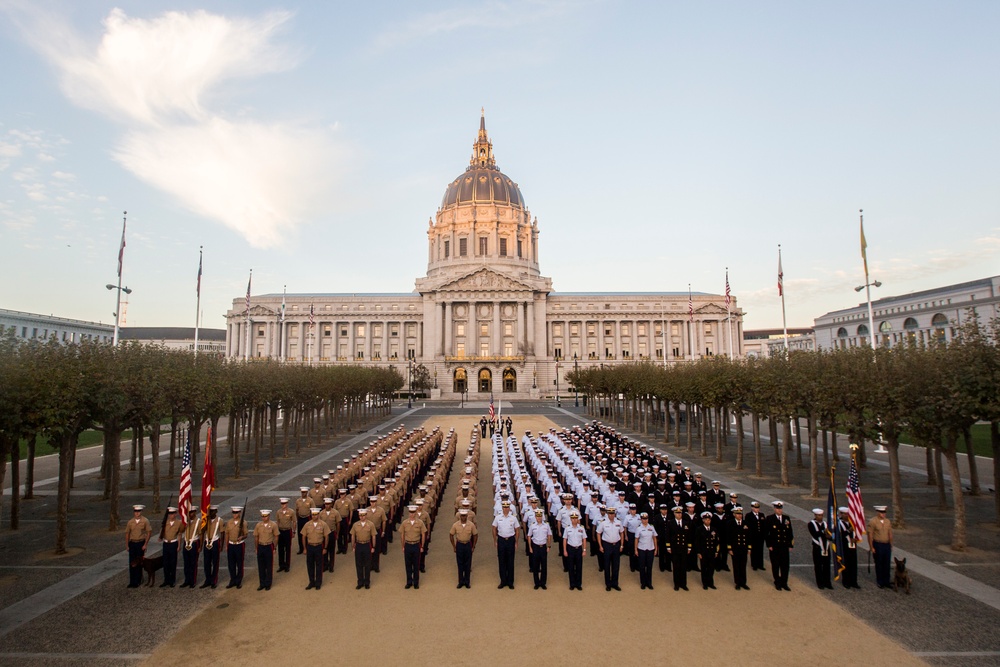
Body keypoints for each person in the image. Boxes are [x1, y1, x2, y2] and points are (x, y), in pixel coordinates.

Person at [765, 501, 794, 591]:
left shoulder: (786, 518)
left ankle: (784, 582)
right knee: (776, 565)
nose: (779, 510)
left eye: (780, 509)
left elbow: (790, 533)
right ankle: (777, 582)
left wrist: (790, 545)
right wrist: (769, 545)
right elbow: (767, 533)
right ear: (774, 509)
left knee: (785, 566)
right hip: (775, 546)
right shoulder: (770, 518)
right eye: (778, 509)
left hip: (784, 546)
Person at [492, 500, 520, 589]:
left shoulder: (513, 518)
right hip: (501, 540)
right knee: (502, 561)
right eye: (504, 507)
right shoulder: (497, 518)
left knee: (510, 561)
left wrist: (516, 541)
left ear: (509, 508)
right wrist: (495, 540)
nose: (506, 509)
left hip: (510, 540)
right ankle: (503, 581)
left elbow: (517, 530)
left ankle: (510, 582)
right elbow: (493, 528)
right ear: (502, 508)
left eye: (507, 507)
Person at [596, 507, 624, 592]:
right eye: (610, 514)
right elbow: (598, 533)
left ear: (615, 514)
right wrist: (600, 546)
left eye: (613, 514)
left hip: (616, 545)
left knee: (616, 565)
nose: (611, 515)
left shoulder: (619, 522)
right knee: (607, 565)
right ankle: (608, 584)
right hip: (607, 545)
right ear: (607, 514)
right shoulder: (603, 523)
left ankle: (615, 583)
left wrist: (622, 545)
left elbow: (622, 533)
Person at [301, 507, 330, 590]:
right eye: (313, 514)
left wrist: (325, 548)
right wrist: (304, 548)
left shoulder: (323, 524)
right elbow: (303, 537)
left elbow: (326, 536)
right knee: (310, 565)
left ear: (318, 515)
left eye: (316, 514)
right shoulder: (307, 524)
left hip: (319, 546)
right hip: (310, 546)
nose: (314, 516)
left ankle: (318, 582)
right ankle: (311, 582)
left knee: (319, 565)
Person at [449, 509, 478, 589]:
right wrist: (454, 546)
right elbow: (451, 534)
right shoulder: (455, 525)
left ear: (467, 516)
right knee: (460, 564)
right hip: (460, 544)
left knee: (468, 564)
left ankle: (467, 582)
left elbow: (475, 535)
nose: (463, 517)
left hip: (468, 544)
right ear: (460, 516)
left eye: (464, 516)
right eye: (462, 516)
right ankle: (461, 582)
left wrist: (473, 546)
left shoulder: (471, 525)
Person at [400, 505, 427, 589]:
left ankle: (416, 582)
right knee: (408, 564)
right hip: (408, 545)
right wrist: (403, 546)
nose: (412, 514)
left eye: (413, 513)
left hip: (416, 544)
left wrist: (422, 546)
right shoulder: (405, 523)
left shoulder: (420, 523)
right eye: (410, 513)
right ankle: (409, 582)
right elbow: (402, 535)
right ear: (409, 513)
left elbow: (423, 534)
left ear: (415, 513)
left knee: (416, 564)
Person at [125, 505, 152, 588]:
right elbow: (127, 534)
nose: (137, 513)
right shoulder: (130, 522)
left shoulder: (145, 521)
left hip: (140, 543)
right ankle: (132, 581)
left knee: (139, 562)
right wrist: (127, 545)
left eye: (139, 511)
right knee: (132, 562)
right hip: (132, 543)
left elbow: (149, 532)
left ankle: (138, 580)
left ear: (141, 512)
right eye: (136, 511)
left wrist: (145, 544)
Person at [867, 505, 893, 589]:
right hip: (878, 544)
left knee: (887, 564)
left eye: (884, 512)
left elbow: (890, 533)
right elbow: (870, 535)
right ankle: (880, 581)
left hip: (886, 544)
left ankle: (887, 581)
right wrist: (871, 547)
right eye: (882, 512)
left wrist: (891, 544)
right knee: (879, 563)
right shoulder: (873, 522)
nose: (883, 514)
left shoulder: (887, 521)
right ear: (878, 512)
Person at [350, 508, 377, 589]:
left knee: (367, 564)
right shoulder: (355, 525)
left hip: (367, 545)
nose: (362, 517)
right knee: (358, 564)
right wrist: (353, 546)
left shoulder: (371, 524)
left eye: (363, 515)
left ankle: (367, 582)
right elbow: (353, 536)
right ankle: (360, 582)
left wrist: (373, 547)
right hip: (358, 544)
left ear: (366, 515)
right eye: (360, 515)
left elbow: (373, 536)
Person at [666, 506, 691, 591]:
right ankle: (676, 584)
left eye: (680, 513)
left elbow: (689, 536)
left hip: (684, 547)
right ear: (674, 514)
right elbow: (668, 535)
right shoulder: (670, 523)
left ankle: (683, 584)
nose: (679, 514)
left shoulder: (686, 523)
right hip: (675, 548)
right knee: (676, 567)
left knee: (683, 566)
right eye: (677, 513)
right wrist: (668, 546)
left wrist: (689, 547)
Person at [223, 506, 248, 589]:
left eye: (236, 513)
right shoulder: (229, 522)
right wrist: (226, 545)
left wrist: (242, 537)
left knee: (240, 563)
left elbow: (246, 534)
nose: (234, 514)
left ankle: (239, 581)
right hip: (231, 544)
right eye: (233, 513)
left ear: (239, 513)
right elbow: (227, 534)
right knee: (231, 564)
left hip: (239, 545)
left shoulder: (243, 522)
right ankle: (232, 580)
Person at [526, 509, 552, 590]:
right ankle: (536, 583)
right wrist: (530, 547)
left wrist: (548, 546)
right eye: (537, 517)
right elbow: (529, 536)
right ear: (535, 517)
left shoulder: (546, 525)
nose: (539, 518)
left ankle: (543, 583)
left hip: (543, 546)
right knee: (535, 565)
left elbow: (549, 535)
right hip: (535, 547)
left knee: (544, 565)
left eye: (540, 516)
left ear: (542, 517)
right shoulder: (532, 525)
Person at [253, 509, 279, 591]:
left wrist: (274, 547)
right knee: (261, 566)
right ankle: (262, 583)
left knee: (269, 566)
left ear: (269, 516)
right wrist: (256, 548)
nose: (264, 518)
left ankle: (268, 583)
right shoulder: (258, 525)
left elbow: (276, 537)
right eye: (263, 516)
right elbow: (256, 537)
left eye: (266, 516)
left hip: (269, 546)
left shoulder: (273, 525)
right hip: (261, 546)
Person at [727, 507, 751, 590]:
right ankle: (737, 582)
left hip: (743, 548)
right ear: (734, 514)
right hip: (735, 548)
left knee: (743, 566)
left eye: (740, 514)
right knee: (736, 566)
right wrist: (729, 548)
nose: (739, 515)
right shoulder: (730, 523)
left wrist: (749, 548)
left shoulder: (746, 523)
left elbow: (749, 536)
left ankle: (743, 582)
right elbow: (728, 537)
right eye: (737, 514)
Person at [808, 508, 833, 590]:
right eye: (819, 515)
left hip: (826, 547)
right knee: (818, 566)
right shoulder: (811, 524)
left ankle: (827, 582)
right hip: (817, 547)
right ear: (815, 515)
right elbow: (815, 534)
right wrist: (823, 532)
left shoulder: (826, 524)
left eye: (821, 515)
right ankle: (820, 583)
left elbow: (830, 536)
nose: (820, 517)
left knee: (827, 566)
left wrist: (830, 536)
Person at [562, 511, 587, 591]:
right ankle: (572, 584)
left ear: (578, 519)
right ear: (570, 519)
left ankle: (578, 584)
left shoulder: (581, 528)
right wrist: (565, 550)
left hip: (579, 549)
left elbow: (584, 539)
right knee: (571, 567)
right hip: (570, 549)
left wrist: (584, 550)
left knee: (579, 567)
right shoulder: (567, 528)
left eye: (576, 518)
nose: (574, 520)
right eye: (573, 518)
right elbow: (565, 539)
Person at [837, 507, 860, 589]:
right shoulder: (839, 523)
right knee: (845, 564)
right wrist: (848, 531)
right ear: (841, 514)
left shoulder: (852, 523)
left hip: (852, 546)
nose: (846, 515)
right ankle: (846, 581)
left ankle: (854, 581)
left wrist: (856, 539)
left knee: (853, 564)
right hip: (844, 546)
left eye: (847, 514)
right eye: (844, 514)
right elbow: (840, 535)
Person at [695, 511, 719, 590]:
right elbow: (697, 541)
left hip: (711, 551)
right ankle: (705, 583)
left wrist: (716, 551)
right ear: (703, 520)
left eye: (709, 520)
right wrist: (698, 552)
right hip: (703, 552)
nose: (707, 521)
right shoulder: (699, 529)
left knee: (711, 568)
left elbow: (716, 541)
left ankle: (711, 583)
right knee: (704, 568)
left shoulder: (714, 529)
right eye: (706, 519)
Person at [159, 507, 182, 588]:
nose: (170, 515)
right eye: (169, 514)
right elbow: (161, 532)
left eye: (172, 514)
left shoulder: (178, 523)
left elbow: (179, 535)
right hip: (166, 543)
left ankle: (172, 580)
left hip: (173, 543)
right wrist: (160, 537)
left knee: (173, 562)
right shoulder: (165, 522)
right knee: (165, 563)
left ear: (175, 514)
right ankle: (166, 580)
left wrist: (179, 545)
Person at [634, 512, 658, 590]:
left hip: (650, 549)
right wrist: (636, 549)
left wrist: (656, 549)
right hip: (641, 549)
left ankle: (649, 583)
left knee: (649, 567)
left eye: (646, 519)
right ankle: (643, 583)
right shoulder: (638, 528)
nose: (645, 520)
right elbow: (636, 539)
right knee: (642, 567)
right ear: (641, 519)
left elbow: (654, 538)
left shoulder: (651, 527)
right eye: (643, 519)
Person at [200, 506, 223, 588]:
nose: (211, 513)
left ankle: (214, 580)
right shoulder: (207, 520)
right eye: (210, 511)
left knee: (215, 562)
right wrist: (206, 520)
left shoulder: (219, 520)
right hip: (207, 542)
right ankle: (208, 579)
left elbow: (222, 533)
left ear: (216, 511)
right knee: (206, 562)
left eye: (213, 511)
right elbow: (202, 531)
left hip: (215, 541)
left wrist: (221, 546)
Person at [180, 506, 202, 588]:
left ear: (195, 512)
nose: (190, 514)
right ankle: (187, 580)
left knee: (193, 563)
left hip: (194, 543)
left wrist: (200, 546)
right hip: (186, 543)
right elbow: (181, 530)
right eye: (189, 512)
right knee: (186, 563)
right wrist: (185, 522)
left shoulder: (198, 522)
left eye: (192, 512)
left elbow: (200, 534)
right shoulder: (186, 521)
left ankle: (193, 581)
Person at [275, 497, 295, 573]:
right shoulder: (278, 512)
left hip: (288, 531)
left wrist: (293, 531)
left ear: (287, 504)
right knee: (280, 549)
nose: (283, 505)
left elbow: (293, 522)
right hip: (280, 531)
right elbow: (277, 522)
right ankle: (281, 565)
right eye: (282, 504)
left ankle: (287, 565)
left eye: (284, 504)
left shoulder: (291, 512)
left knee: (287, 549)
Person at [746, 500, 767, 571]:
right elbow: (748, 527)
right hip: (753, 536)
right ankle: (754, 564)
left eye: (758, 508)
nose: (757, 509)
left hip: (760, 536)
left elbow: (764, 526)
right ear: (752, 508)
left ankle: (760, 564)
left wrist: (764, 535)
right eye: (755, 508)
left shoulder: (762, 515)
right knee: (754, 550)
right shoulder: (748, 515)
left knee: (760, 550)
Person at [294, 487, 313, 555]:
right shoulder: (298, 501)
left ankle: (308, 548)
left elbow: (312, 510)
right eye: (302, 492)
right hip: (300, 518)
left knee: (307, 534)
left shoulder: (310, 500)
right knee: (300, 534)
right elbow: (296, 510)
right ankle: (301, 548)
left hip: (307, 518)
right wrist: (297, 518)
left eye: (304, 492)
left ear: (307, 492)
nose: (303, 493)